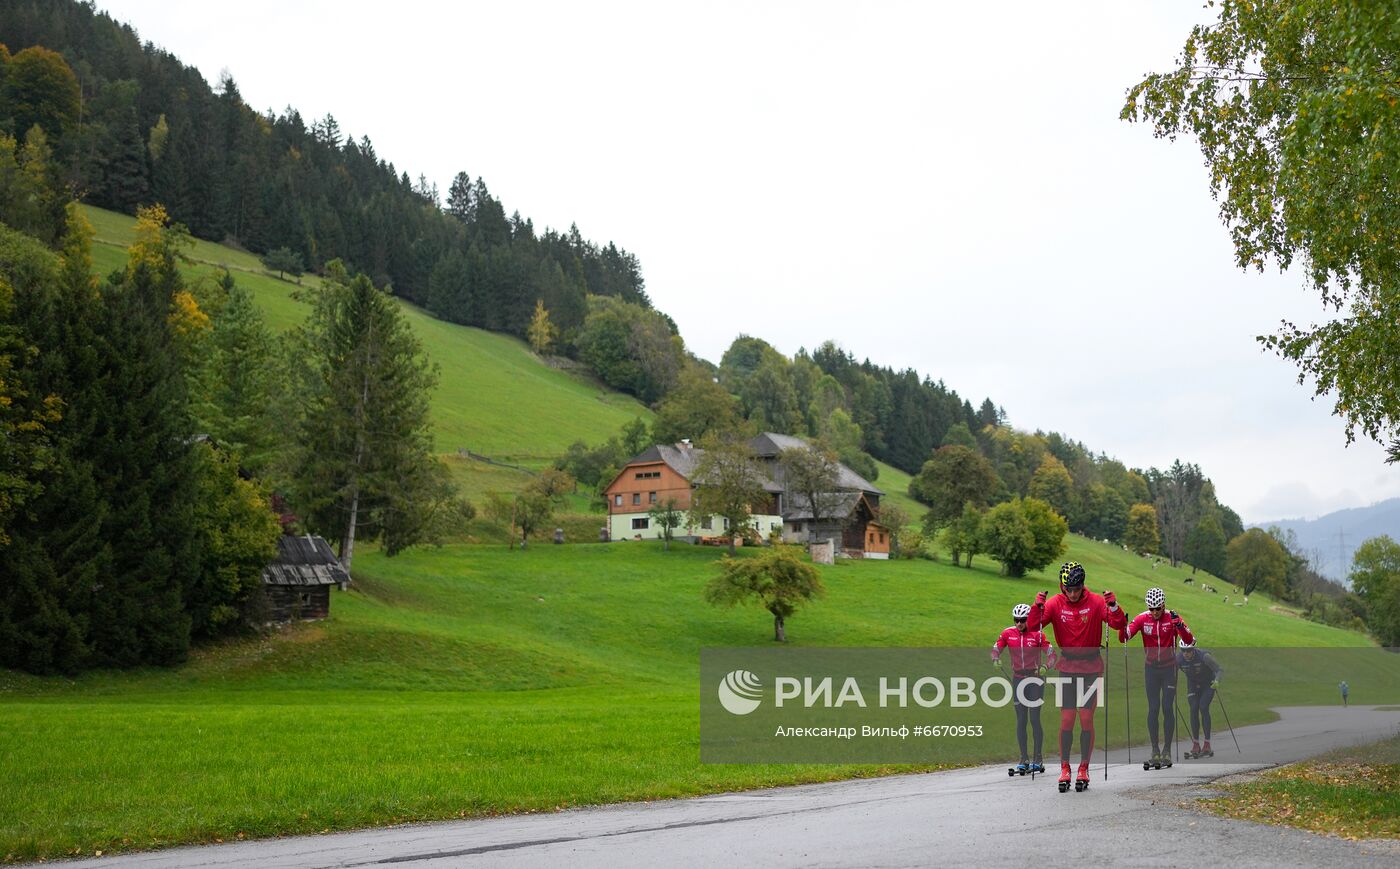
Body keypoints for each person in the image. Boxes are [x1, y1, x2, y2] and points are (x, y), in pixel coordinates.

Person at [1028, 561, 1127, 792]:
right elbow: (1034, 628)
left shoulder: (1095, 601)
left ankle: (1083, 767)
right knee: (1067, 720)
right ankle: (1065, 768)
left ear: (1083, 585)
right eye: (1068, 589)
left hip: (1091, 667)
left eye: (1076, 589)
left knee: (1085, 718)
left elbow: (1118, 624)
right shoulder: (1055, 603)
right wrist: (1037, 607)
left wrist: (1113, 606)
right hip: (1067, 666)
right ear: (1062, 586)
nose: (1072, 594)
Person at [1122, 587, 1193, 768]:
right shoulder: (1142, 619)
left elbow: (1189, 639)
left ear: (1164, 605)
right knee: (1153, 708)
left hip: (1170, 669)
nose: (1154, 612)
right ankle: (1155, 750)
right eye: (1151, 608)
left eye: (1158, 608)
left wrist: (1179, 625)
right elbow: (1125, 637)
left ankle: (1167, 750)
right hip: (1151, 670)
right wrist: (1122, 626)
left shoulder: (1172, 617)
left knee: (1167, 708)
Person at [993, 603, 1057, 775]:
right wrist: (995, 658)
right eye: (1016, 620)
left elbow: (1052, 654)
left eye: (1022, 620)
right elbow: (995, 648)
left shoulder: (1037, 634)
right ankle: (1024, 758)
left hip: (1035, 680)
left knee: (1034, 719)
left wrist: (1045, 666)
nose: (1019, 623)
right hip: (1018, 679)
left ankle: (1038, 757)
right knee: (1021, 720)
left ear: (1028, 619)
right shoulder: (1008, 633)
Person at [1176, 640, 1221, 758]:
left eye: (1188, 650)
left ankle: (1207, 743)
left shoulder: (1204, 657)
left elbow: (1219, 670)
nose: (1186, 653)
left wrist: (1217, 681)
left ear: (1194, 649)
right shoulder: (1179, 659)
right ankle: (1196, 744)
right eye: (1183, 650)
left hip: (1208, 684)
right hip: (1193, 685)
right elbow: (1172, 674)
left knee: (1203, 707)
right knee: (1193, 708)